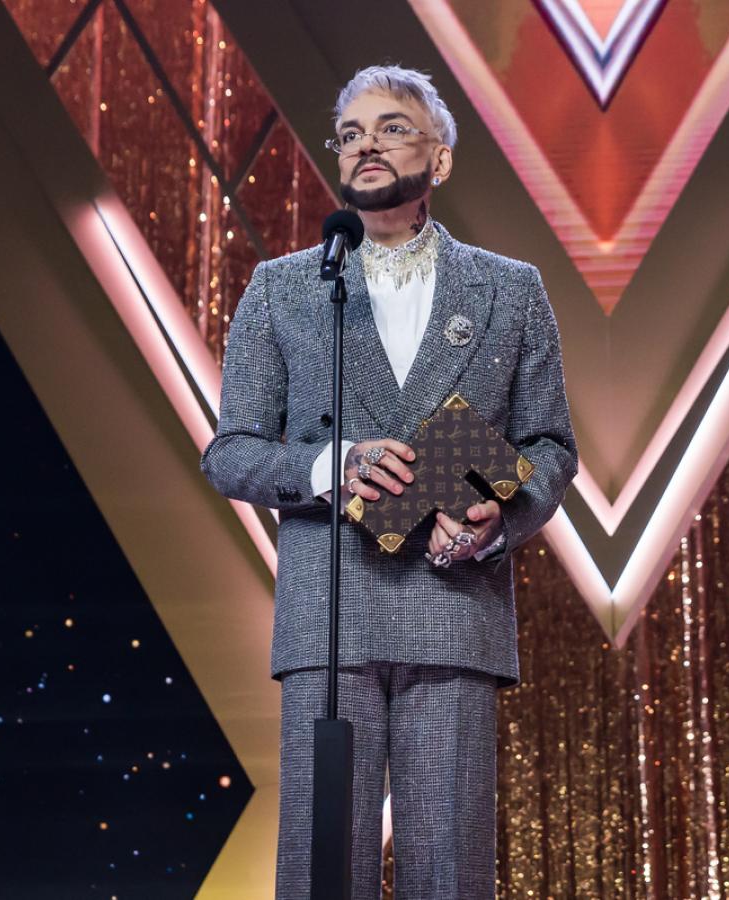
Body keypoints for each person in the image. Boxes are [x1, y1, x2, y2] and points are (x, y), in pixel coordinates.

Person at [200, 64, 577, 900]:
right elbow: (229, 453)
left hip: (454, 608)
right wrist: (332, 464)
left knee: (450, 873)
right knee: (321, 874)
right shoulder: (284, 288)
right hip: (329, 615)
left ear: (440, 159)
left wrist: (498, 516)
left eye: (392, 127)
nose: (367, 144)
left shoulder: (511, 289)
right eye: (351, 133)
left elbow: (550, 445)